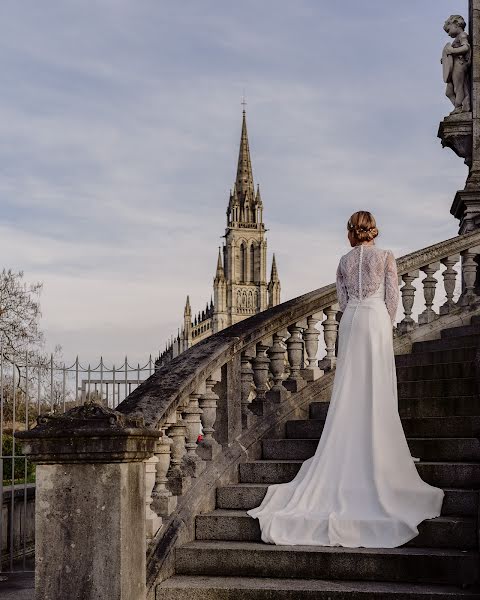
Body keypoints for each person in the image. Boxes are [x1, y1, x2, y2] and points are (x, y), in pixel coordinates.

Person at [247, 211, 444, 548]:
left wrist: (357, 309)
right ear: (373, 229)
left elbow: (341, 301)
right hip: (375, 318)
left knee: (350, 385)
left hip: (351, 319)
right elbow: (392, 298)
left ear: (353, 232)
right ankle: (379, 442)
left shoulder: (344, 260)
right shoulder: (385, 257)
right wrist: (385, 320)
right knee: (376, 383)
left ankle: (349, 438)